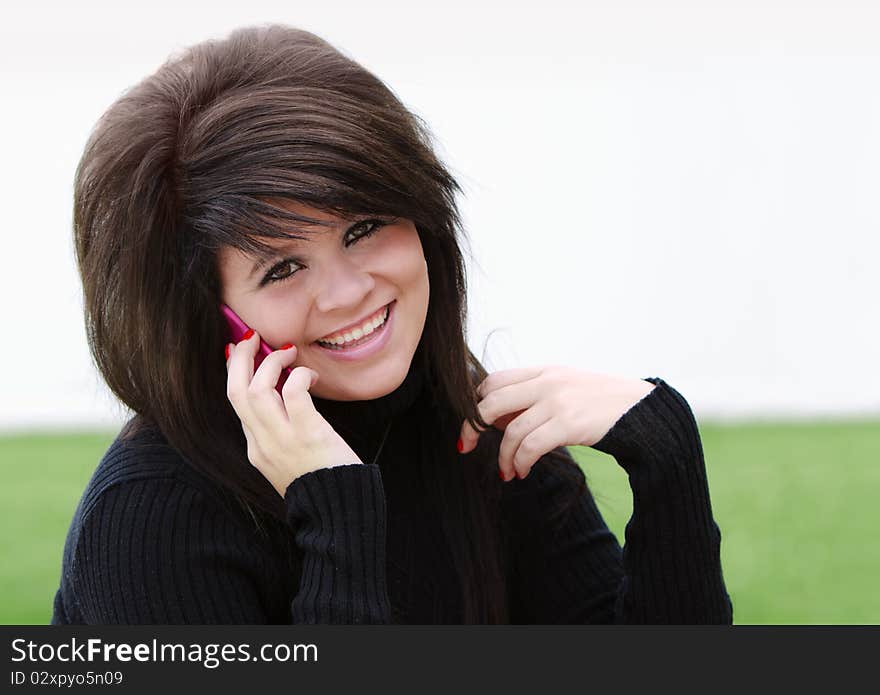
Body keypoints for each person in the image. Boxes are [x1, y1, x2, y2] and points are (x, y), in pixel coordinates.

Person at [51, 24, 732, 624]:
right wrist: (334, 508)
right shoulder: (150, 520)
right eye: (282, 269)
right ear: (208, 320)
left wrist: (665, 451)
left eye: (366, 227)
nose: (348, 293)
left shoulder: (469, 436)